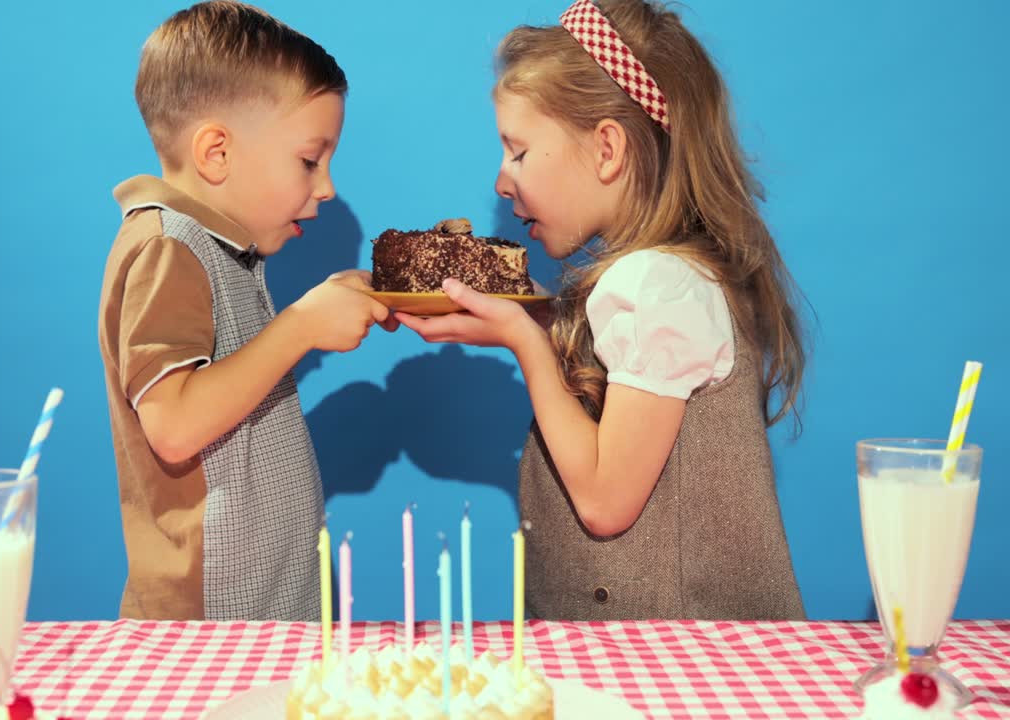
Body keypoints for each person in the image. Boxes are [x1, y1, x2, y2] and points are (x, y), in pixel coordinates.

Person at [398, 0, 807, 620]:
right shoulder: (667, 278)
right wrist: (535, 324)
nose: (501, 182)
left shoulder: (656, 284)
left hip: (681, 662)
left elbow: (604, 501)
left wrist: (526, 344)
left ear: (607, 148)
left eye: (519, 151)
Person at [98, 1, 390, 620]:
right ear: (217, 153)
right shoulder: (167, 247)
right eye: (310, 160)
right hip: (209, 620)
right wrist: (302, 325)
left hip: (266, 611)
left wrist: (316, 309)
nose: (327, 185)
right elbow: (173, 426)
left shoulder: (225, 253)